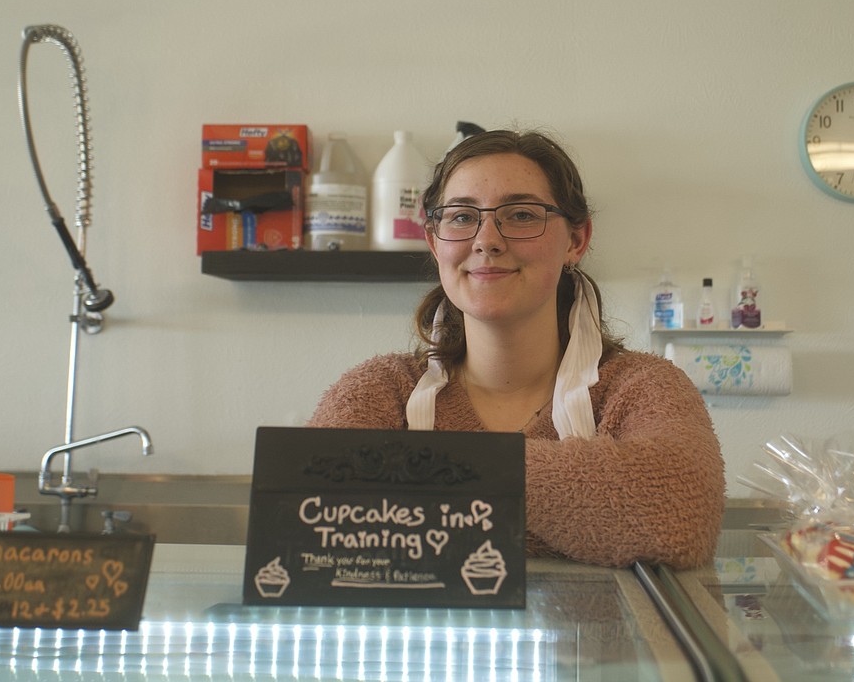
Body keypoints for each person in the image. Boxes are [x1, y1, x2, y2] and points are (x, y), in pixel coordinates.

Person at [309, 129, 725, 569]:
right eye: (462, 217)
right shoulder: (381, 389)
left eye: (522, 214)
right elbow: (309, 520)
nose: (487, 239)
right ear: (434, 242)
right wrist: (576, 514)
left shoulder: (641, 386)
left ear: (576, 241)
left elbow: (678, 519)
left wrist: (417, 486)